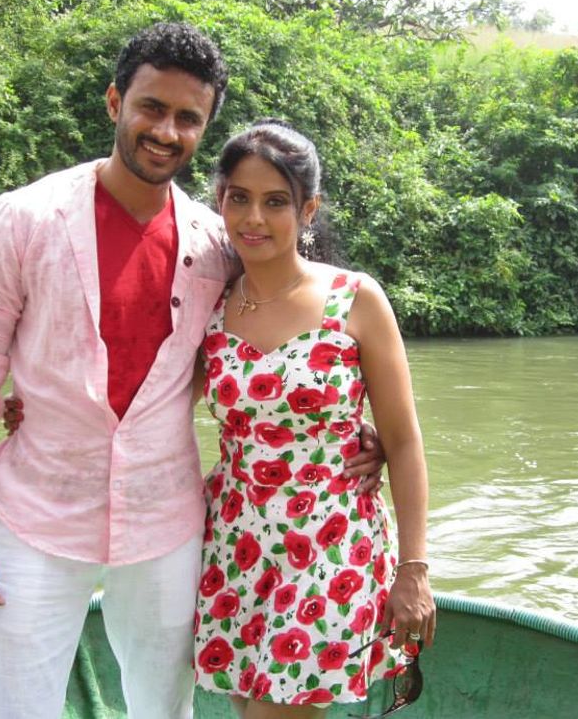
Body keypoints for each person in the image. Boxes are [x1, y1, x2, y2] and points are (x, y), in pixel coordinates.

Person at [0, 23, 384, 719]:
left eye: (188, 118)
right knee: (14, 707)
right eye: (152, 108)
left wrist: (360, 436)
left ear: (205, 128)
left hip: (165, 517)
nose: (167, 131)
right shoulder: (21, 221)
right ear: (115, 102)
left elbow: (285, 342)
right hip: (40, 511)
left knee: (166, 708)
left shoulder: (217, 243)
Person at [191, 120, 435, 719]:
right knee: (253, 709)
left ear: (308, 210)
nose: (254, 218)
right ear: (220, 200)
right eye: (239, 198)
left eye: (276, 202)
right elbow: (148, 401)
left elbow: (404, 442)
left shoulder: (355, 299)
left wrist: (414, 568)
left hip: (329, 542)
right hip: (234, 544)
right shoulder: (209, 305)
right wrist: (32, 407)